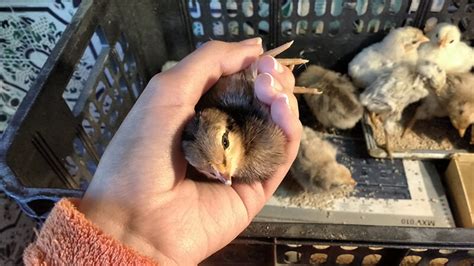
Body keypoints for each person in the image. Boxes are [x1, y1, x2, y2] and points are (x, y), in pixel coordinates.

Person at [23, 38, 302, 265]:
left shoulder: (231, 116)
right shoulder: (226, 160)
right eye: (214, 171)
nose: (225, 176)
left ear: (230, 128)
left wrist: (126, 231)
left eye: (224, 150)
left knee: (265, 89)